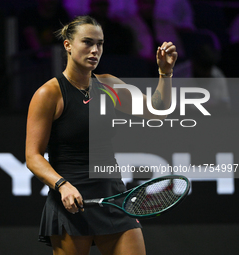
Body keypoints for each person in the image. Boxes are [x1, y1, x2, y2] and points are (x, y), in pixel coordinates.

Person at [25, 15, 177, 254]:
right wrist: (62, 185)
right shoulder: (48, 94)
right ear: (67, 45)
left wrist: (165, 74)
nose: (95, 50)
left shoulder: (109, 85)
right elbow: (33, 156)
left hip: (114, 198)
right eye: (87, 42)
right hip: (70, 201)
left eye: (100, 43)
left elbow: (158, 113)